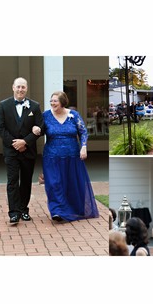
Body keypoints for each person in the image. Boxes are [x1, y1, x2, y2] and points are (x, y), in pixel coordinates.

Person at [32, 91, 99, 222]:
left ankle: (73, 209)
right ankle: (57, 211)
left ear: (62, 102)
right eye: (51, 101)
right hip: (52, 156)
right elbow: (39, 130)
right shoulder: (45, 116)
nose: (52, 103)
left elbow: (83, 132)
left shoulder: (73, 115)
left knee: (71, 183)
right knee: (54, 184)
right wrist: (36, 129)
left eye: (55, 101)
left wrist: (84, 146)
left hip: (72, 156)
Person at [0, 77, 43, 224]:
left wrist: (25, 142)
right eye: (18, 87)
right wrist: (14, 143)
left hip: (28, 151)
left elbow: (40, 128)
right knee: (12, 182)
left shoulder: (34, 106)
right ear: (13, 87)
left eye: (23, 87)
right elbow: (0, 128)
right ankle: (14, 213)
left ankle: (23, 210)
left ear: (26, 88)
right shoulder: (3, 105)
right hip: (11, 151)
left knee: (26, 181)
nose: (20, 90)